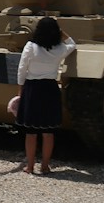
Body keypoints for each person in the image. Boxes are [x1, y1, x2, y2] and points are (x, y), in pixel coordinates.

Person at [13, 16, 76, 175]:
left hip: (32, 88)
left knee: (31, 132)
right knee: (48, 132)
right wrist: (61, 33)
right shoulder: (59, 49)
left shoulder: (30, 47)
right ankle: (45, 166)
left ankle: (30, 166)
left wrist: (20, 90)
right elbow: (72, 44)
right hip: (50, 88)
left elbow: (22, 69)